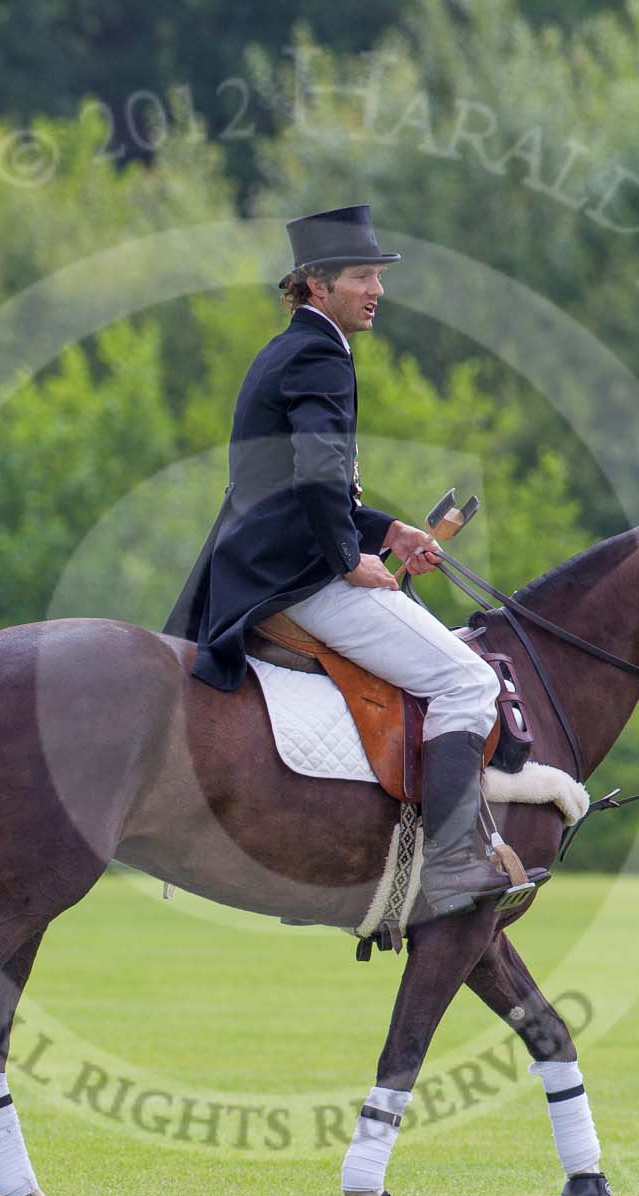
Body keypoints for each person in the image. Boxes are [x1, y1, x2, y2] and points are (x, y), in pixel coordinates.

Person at [164, 204, 538, 917]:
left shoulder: (287, 348)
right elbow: (314, 478)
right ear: (315, 284)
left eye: (377, 275)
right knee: (466, 680)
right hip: (298, 577)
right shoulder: (319, 353)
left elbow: (306, 486)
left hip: (266, 564)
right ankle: (454, 865)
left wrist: (387, 530)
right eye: (361, 276)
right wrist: (347, 558)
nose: (377, 289)